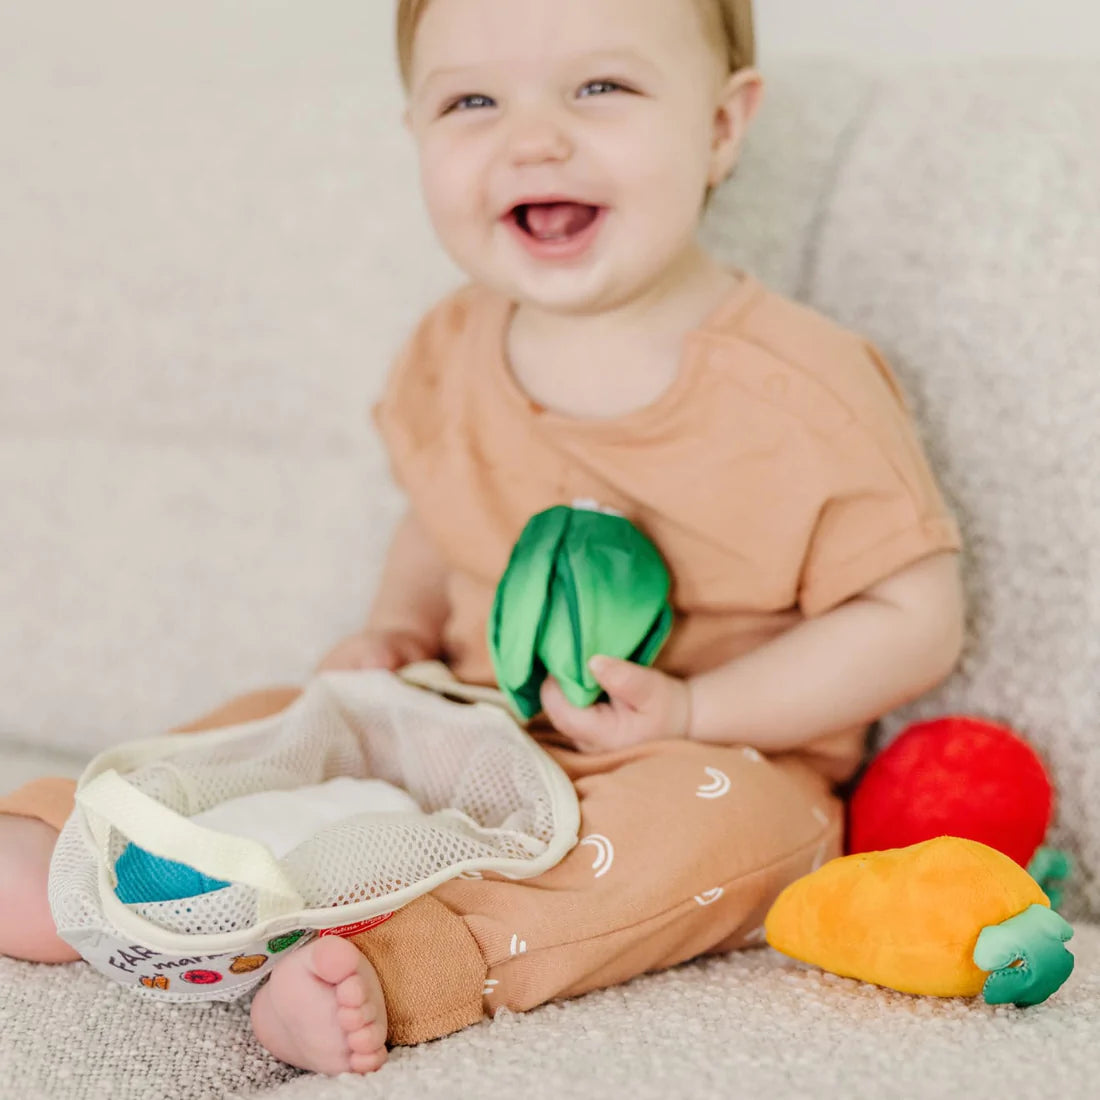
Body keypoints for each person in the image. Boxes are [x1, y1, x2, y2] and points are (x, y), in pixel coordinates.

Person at [0, 0, 966, 1077]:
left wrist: (702, 708)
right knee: (286, 716)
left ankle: (393, 961)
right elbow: (439, 510)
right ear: (414, 133)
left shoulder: (805, 387)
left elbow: (913, 616)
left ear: (721, 127)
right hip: (455, 713)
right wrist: (391, 626)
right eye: (471, 100)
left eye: (600, 87)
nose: (532, 137)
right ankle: (74, 846)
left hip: (700, 753)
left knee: (728, 832)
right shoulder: (451, 342)